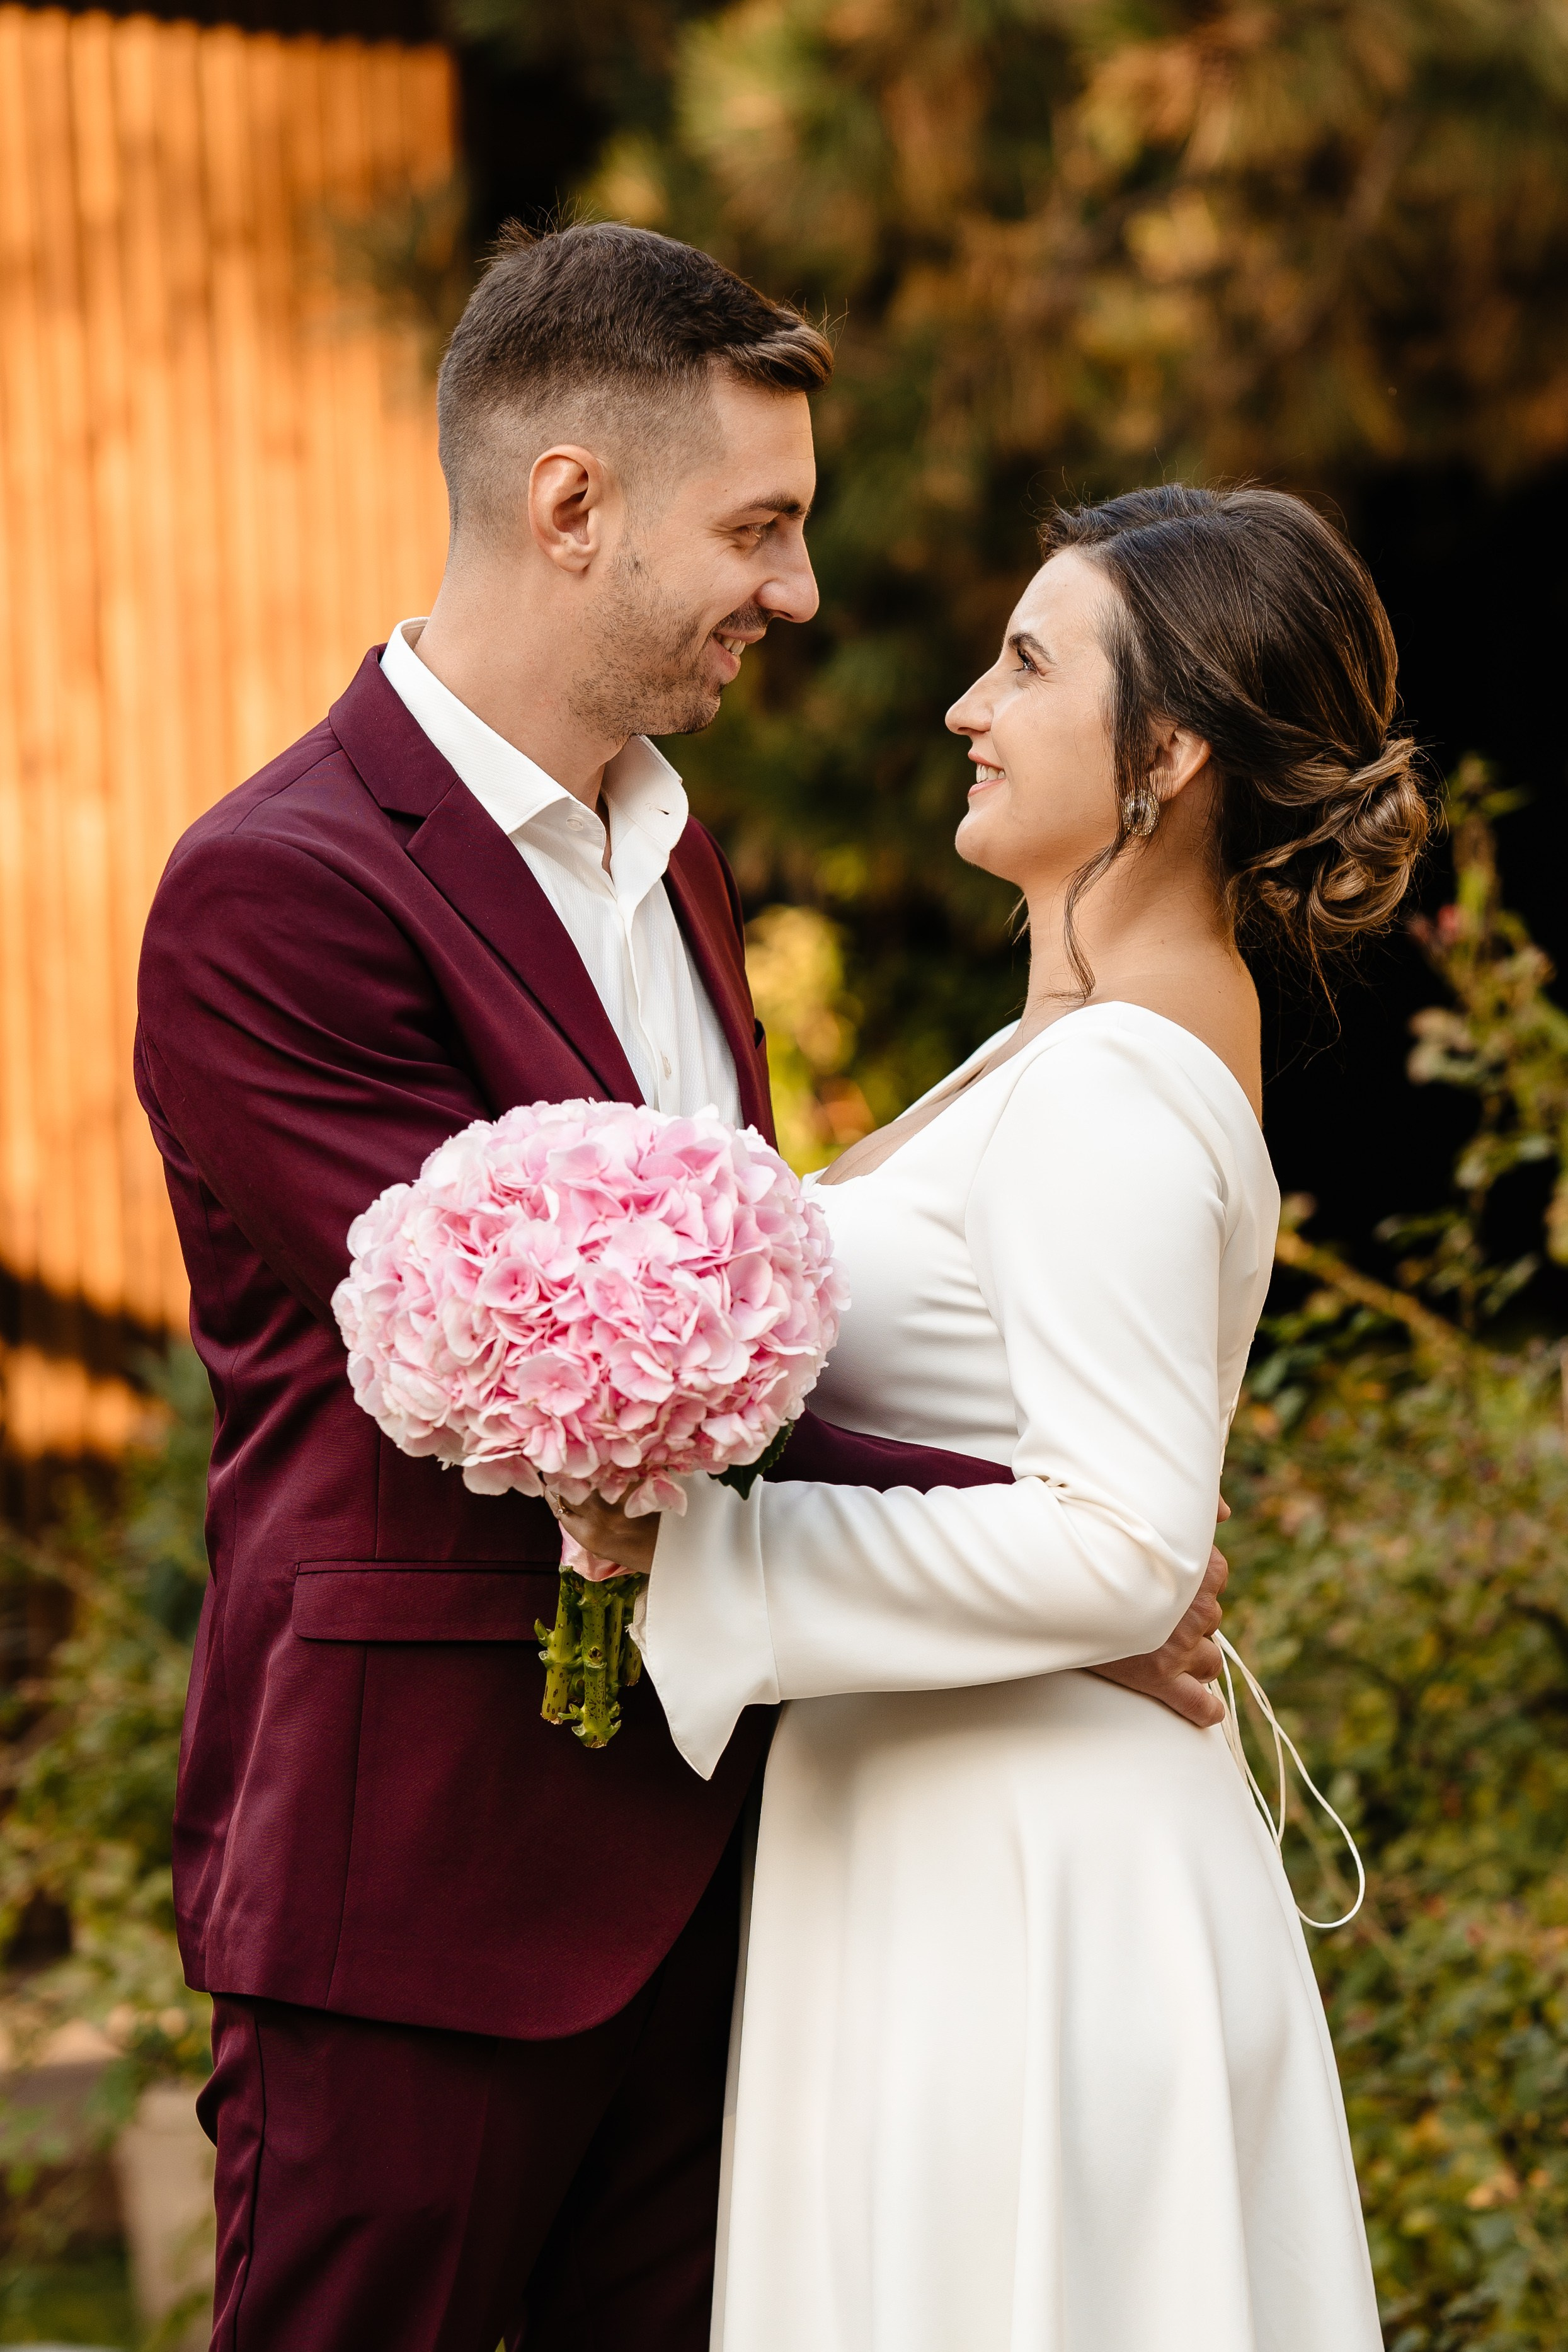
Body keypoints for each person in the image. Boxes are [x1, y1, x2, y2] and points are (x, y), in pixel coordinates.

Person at [134, 226, 1221, 2352]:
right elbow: (555, 1379)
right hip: (420, 1895)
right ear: (570, 507)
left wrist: (1042, 1558)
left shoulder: (673, 847)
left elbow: (733, 1328)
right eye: (760, 527)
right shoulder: (281, 891)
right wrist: (1044, 1546)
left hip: (726, 1881)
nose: (798, 595)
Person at [561, 483, 1432, 2351]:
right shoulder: (1063, 1040)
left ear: (1168, 749)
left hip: (1025, 1888)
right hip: (939, 1838)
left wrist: (696, 1549)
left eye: (1027, 664)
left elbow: (1117, 1542)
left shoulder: (1116, 1079)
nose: (967, 704)